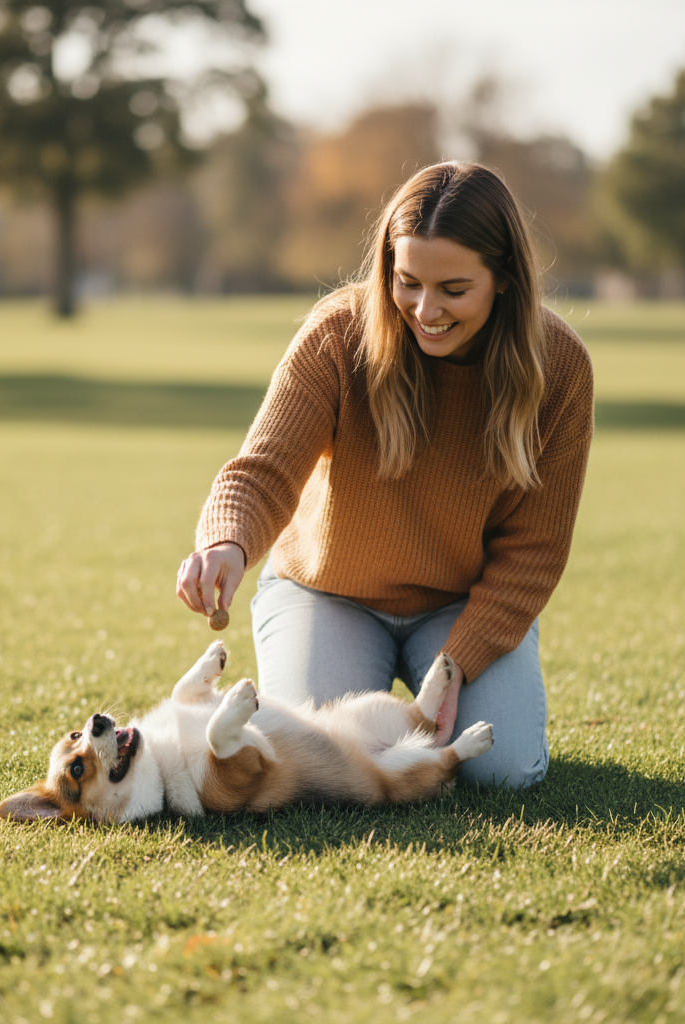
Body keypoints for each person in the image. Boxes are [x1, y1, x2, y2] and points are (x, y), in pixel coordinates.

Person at [177, 161, 593, 789]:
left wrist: (458, 665)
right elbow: (263, 469)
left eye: (454, 289)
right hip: (327, 593)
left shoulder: (560, 367)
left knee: (501, 773)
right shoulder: (337, 334)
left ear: (505, 277)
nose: (426, 310)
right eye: (408, 282)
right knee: (314, 767)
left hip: (462, 603)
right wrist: (225, 541)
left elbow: (534, 551)